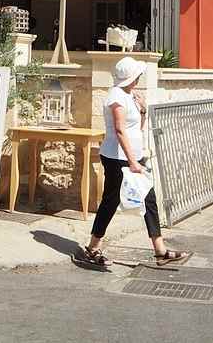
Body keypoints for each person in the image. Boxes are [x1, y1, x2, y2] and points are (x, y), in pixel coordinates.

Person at [80, 57, 191, 268]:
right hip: (117, 158)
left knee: (148, 198)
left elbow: (136, 129)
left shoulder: (130, 95)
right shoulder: (116, 97)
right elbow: (120, 130)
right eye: (137, 75)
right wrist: (132, 161)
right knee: (111, 200)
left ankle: (159, 250)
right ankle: (93, 246)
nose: (139, 78)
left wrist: (142, 109)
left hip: (132, 156)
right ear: (130, 76)